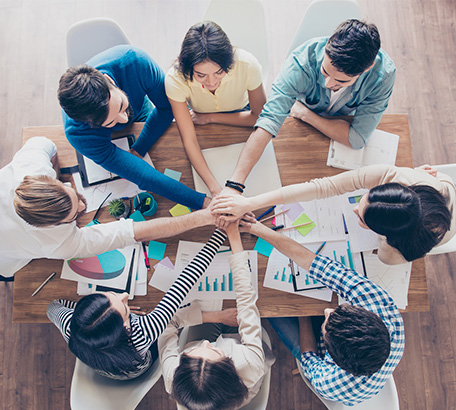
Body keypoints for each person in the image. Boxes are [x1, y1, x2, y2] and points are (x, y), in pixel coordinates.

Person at [0, 137, 214, 281]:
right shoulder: (60, 243)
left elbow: (42, 143)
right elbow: (136, 232)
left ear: (49, 180)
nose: (83, 204)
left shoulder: (31, 168)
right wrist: (203, 217)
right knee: (5, 274)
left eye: (72, 193)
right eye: (74, 215)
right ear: (52, 226)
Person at [221, 19, 396, 194]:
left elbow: (356, 139)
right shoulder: (300, 62)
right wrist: (234, 185)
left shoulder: (383, 75)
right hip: (300, 128)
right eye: (325, 72)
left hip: (311, 123)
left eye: (341, 81)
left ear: (368, 68)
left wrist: (306, 114)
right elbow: (268, 122)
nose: (328, 83)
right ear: (328, 44)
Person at [243, 220, 404, 406]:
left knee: (268, 309)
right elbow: (315, 262)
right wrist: (255, 227)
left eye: (326, 323)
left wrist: (304, 317)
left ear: (331, 354)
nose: (327, 310)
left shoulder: (329, 383)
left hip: (316, 355)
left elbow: (309, 356)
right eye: (338, 311)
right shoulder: (379, 304)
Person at [48, 229, 236, 379]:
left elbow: (53, 306)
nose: (125, 294)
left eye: (112, 295)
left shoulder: (69, 323)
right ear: (125, 327)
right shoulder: (145, 332)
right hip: (138, 367)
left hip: (104, 363)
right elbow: (185, 280)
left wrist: (109, 314)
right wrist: (220, 233)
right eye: (125, 309)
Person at [58, 45, 208, 210]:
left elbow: (166, 108)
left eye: (121, 105)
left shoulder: (135, 61)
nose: (124, 119)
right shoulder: (77, 133)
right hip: (101, 138)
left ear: (108, 80)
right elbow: (144, 177)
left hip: (141, 108)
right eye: (111, 121)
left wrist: (139, 148)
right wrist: (203, 203)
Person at [212, 164, 455, 264]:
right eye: (363, 198)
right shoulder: (399, 176)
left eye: (361, 218)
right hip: (437, 185)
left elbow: (386, 258)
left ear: (388, 236)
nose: (353, 208)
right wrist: (249, 202)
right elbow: (323, 186)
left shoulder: (396, 251)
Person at [158, 222, 275, 410]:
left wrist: (216, 316)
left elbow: (167, 321)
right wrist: (233, 235)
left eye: (193, 351)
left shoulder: (174, 376)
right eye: (214, 350)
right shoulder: (248, 364)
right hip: (235, 384)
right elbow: (247, 301)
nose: (205, 343)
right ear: (231, 365)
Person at [165, 21, 266, 197]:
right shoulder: (175, 79)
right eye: (201, 75)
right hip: (199, 119)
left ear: (228, 62)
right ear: (188, 69)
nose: (211, 82)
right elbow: (189, 140)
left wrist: (211, 117)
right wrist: (215, 190)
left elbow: (260, 118)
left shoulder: (247, 65)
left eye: (219, 72)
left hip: (242, 112)